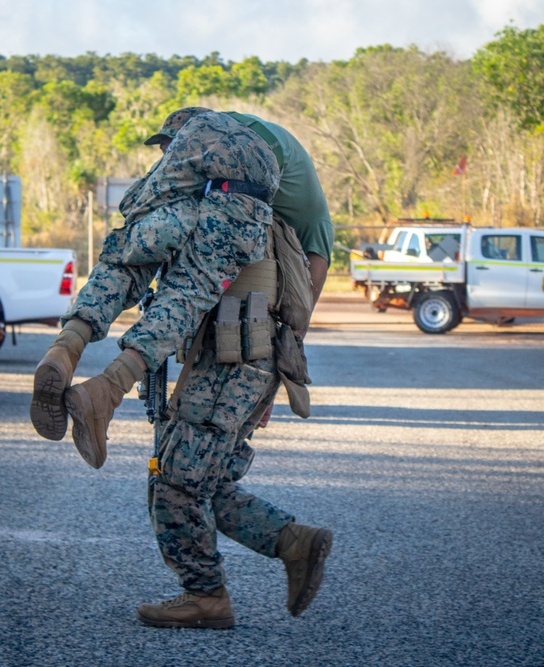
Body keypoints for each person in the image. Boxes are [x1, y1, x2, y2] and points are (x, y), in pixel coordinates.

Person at [32, 108, 335, 628]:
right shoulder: (238, 201)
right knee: (202, 477)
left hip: (233, 351)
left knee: (175, 480)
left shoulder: (241, 207)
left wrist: (272, 374)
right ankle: (294, 543)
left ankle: (206, 597)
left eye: (168, 151)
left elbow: (304, 278)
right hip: (227, 351)